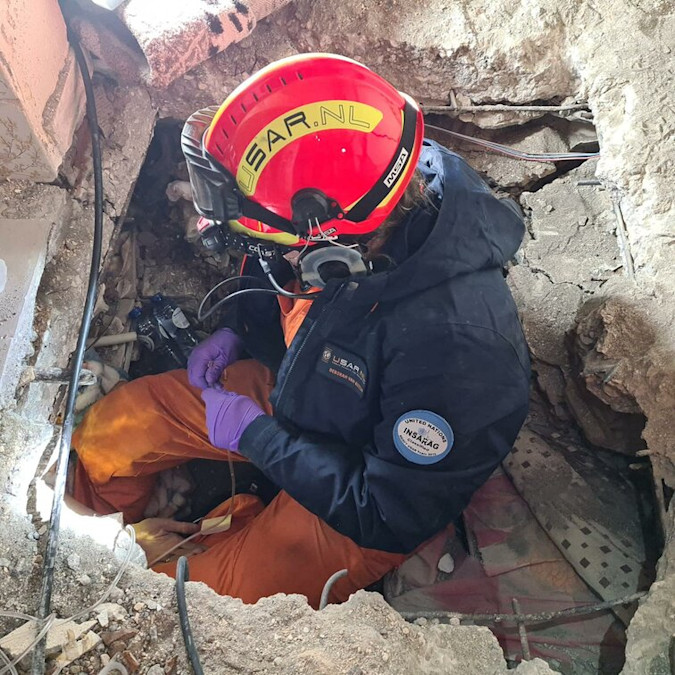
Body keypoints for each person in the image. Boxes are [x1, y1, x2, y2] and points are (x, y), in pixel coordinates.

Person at [70, 53, 531, 608]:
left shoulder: (462, 356)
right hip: (310, 389)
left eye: (275, 241)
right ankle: (108, 529)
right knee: (107, 438)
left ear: (334, 254)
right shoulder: (363, 187)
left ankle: (208, 541)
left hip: (363, 495)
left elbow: (389, 513)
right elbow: (276, 265)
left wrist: (257, 438)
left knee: (185, 604)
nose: (270, 253)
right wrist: (239, 328)